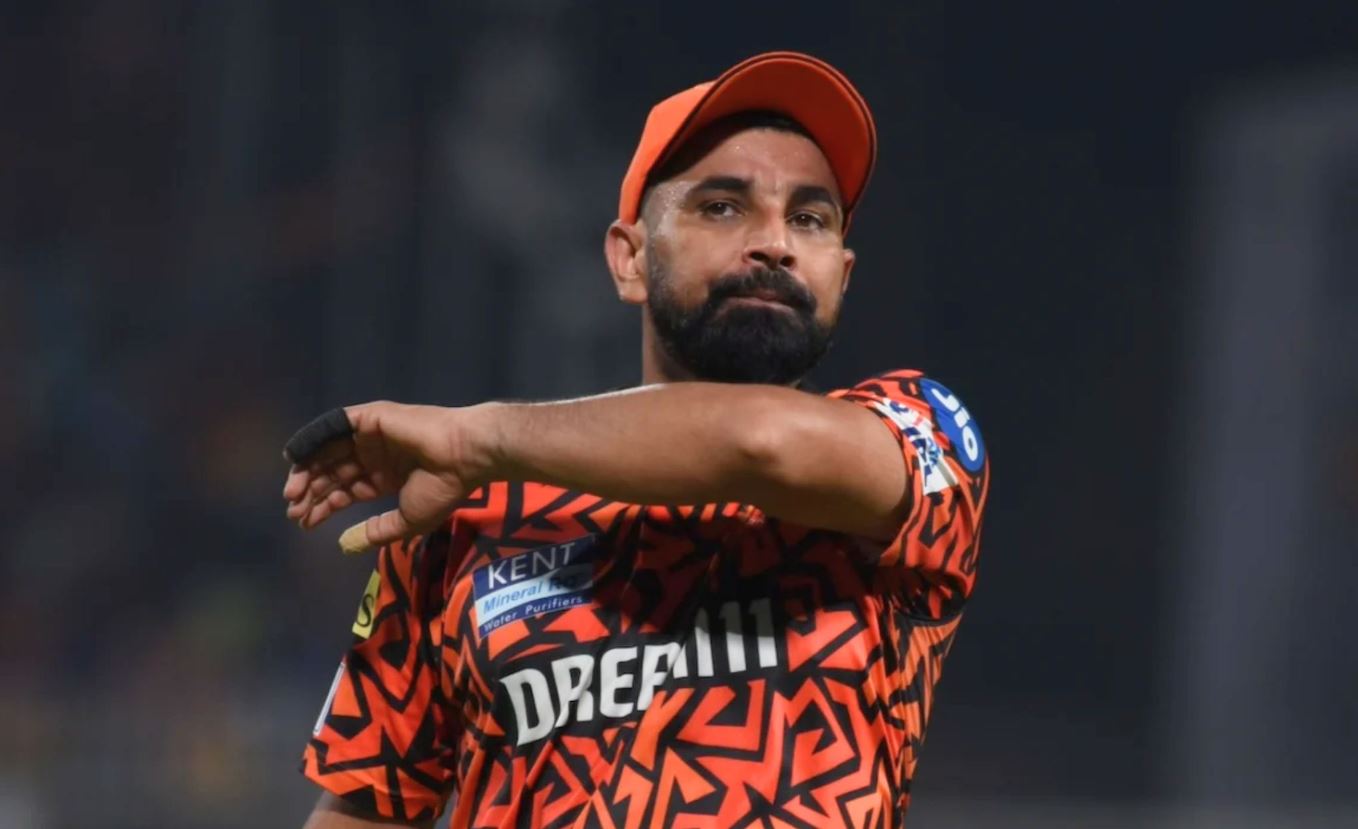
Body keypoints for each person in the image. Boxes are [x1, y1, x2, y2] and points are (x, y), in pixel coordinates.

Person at [284, 51, 990, 829]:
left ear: (843, 275)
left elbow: (759, 442)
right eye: (722, 206)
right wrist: (482, 452)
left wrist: (482, 435)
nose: (775, 243)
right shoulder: (463, 510)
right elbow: (367, 806)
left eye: (809, 218)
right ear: (630, 258)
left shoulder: (911, 436)